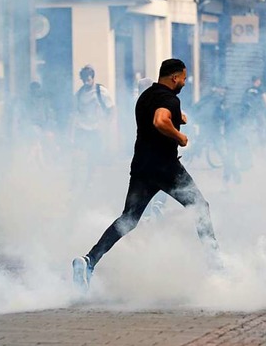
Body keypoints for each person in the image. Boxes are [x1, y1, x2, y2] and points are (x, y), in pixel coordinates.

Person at [72, 59, 222, 291]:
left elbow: (157, 114)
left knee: (129, 219)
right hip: (166, 167)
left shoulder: (146, 97)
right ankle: (216, 267)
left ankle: (89, 261)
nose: (184, 82)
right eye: (183, 77)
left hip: (142, 166)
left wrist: (177, 117)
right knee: (200, 207)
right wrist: (179, 137)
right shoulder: (169, 99)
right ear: (174, 77)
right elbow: (160, 120)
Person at [72, 65, 114, 183]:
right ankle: (76, 181)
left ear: (93, 78)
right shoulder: (79, 94)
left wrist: (107, 126)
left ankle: (89, 182)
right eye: (84, 80)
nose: (86, 82)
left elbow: (111, 110)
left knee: (92, 157)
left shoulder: (101, 92)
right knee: (78, 156)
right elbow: (74, 112)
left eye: (88, 79)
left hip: (96, 129)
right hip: (82, 128)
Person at [242, 75, 266, 146]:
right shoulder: (260, 89)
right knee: (262, 126)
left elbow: (243, 100)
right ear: (257, 81)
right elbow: (265, 99)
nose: (260, 82)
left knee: (249, 127)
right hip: (258, 111)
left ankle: (248, 141)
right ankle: (262, 142)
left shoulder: (247, 90)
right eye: (259, 80)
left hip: (249, 112)